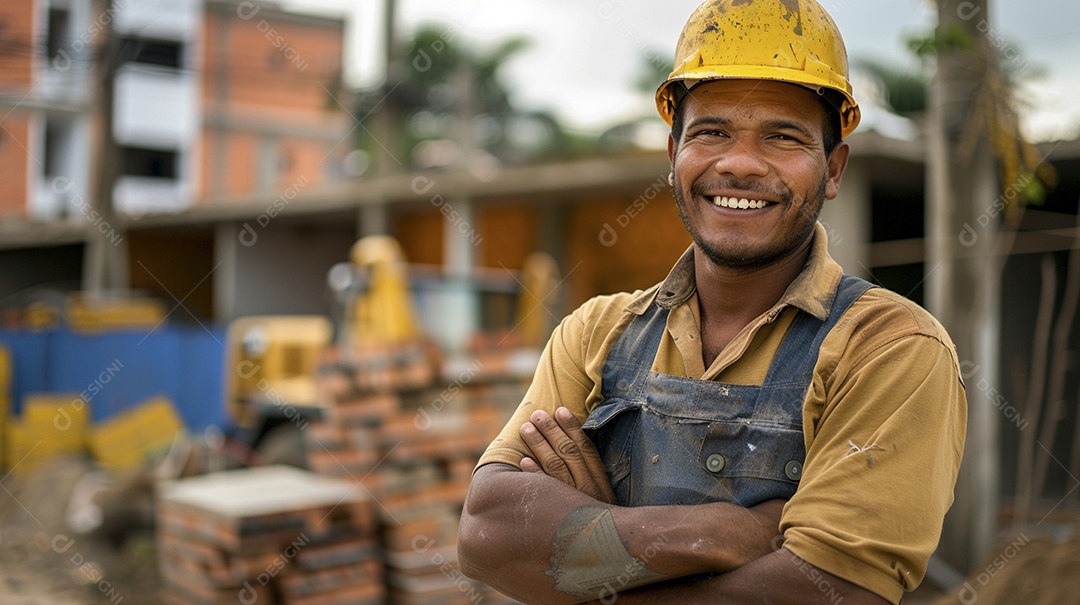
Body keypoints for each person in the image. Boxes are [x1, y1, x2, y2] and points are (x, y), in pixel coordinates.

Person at [458, 1, 967, 603]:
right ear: (673, 156)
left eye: (782, 137)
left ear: (832, 168)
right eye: (711, 132)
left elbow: (828, 593)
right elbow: (489, 533)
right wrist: (726, 532)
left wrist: (591, 559)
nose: (739, 164)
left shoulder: (890, 349)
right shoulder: (596, 333)